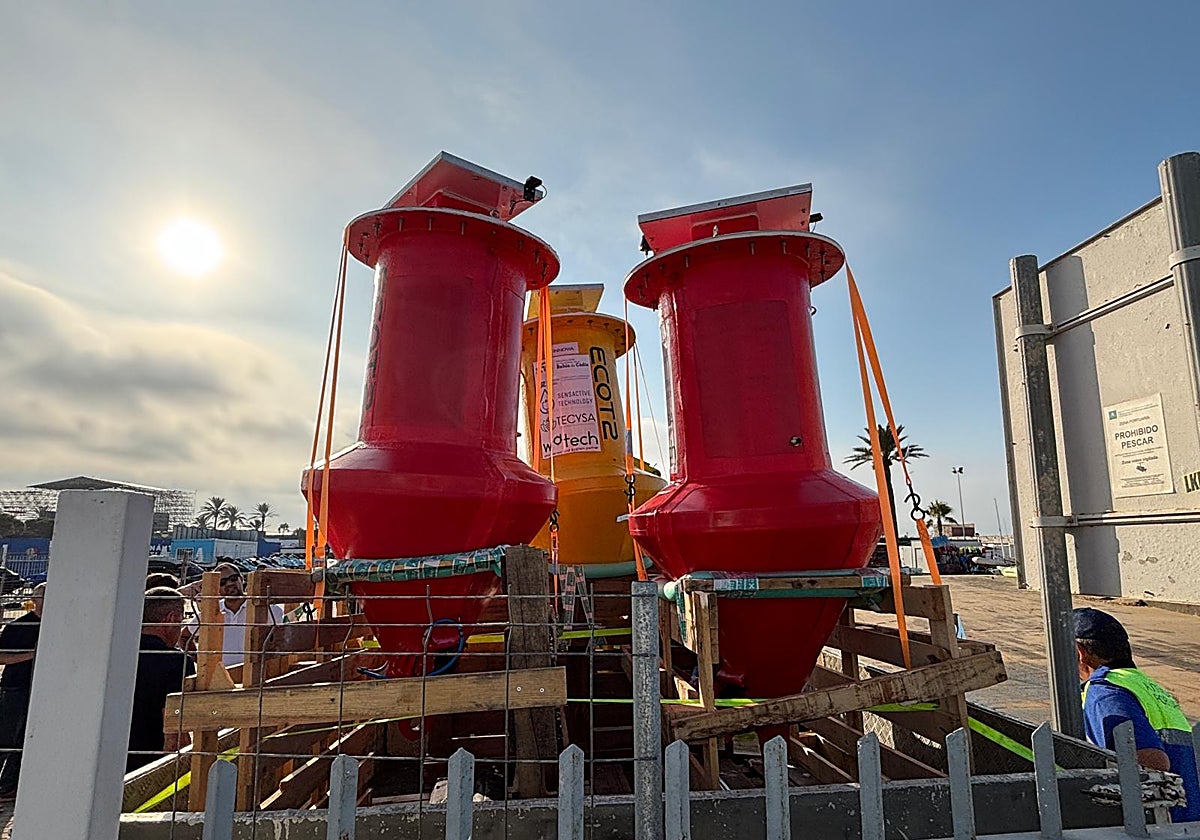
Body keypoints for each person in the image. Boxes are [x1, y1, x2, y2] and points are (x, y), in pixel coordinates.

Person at [1075, 607, 1199, 822]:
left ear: (1080, 653)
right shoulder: (1145, 684)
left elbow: (1153, 762)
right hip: (1186, 820)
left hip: (1156, 823)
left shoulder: (1104, 691)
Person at [128, 587, 196, 772]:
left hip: (110, 757)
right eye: (181, 621)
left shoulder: (119, 653)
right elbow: (175, 731)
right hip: (149, 767)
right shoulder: (177, 662)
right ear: (171, 618)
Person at [182, 562, 283, 668]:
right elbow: (184, 637)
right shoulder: (211, 612)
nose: (229, 584)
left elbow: (280, 643)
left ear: (241, 579)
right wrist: (201, 661)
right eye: (222, 582)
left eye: (233, 578)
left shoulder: (269, 610)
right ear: (217, 588)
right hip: (221, 679)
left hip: (255, 677)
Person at [0, 584, 45, 800]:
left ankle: (8, 786)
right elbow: (2, 657)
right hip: (16, 688)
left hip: (43, 689)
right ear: (35, 600)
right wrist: (32, 654)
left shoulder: (55, 625)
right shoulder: (17, 627)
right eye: (44, 598)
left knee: (24, 740)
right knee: (6, 738)